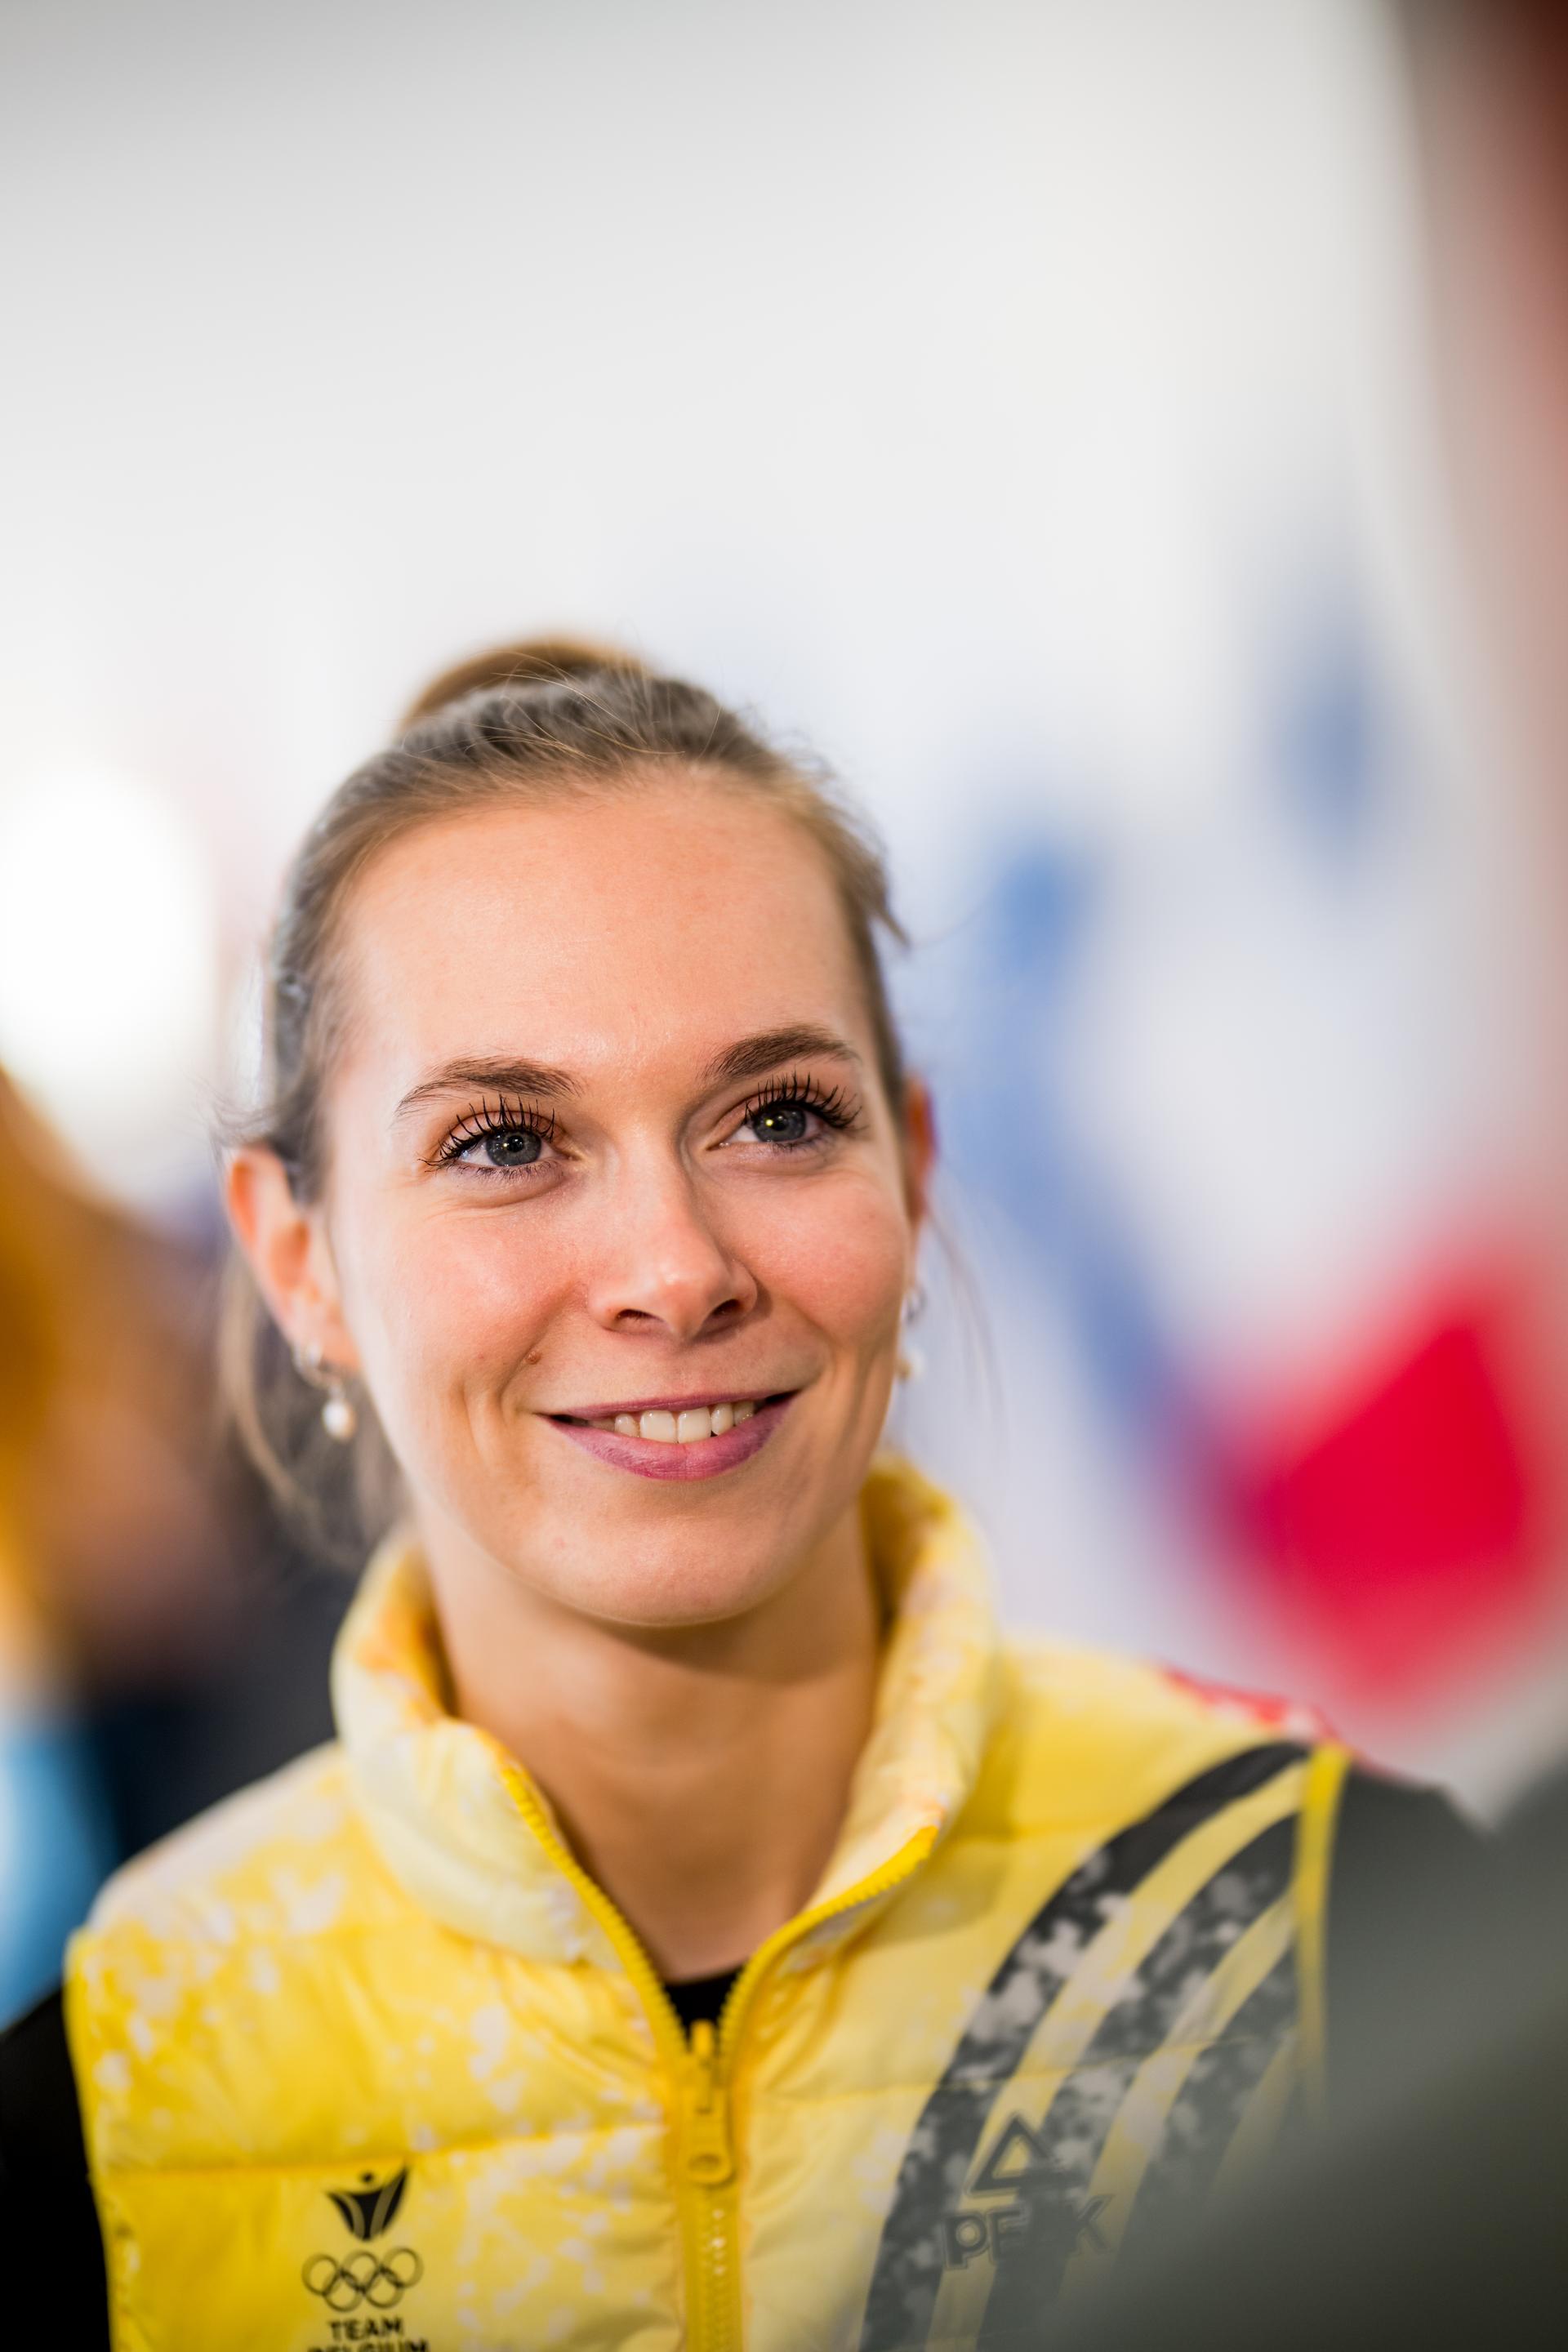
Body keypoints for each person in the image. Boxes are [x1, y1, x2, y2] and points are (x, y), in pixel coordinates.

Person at [0, 641, 1470, 2349]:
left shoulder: (1334, 1916)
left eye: (777, 1116)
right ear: (298, 1258)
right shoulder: (118, 2102)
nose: (673, 1269)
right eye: (504, 1143)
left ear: (913, 1175)